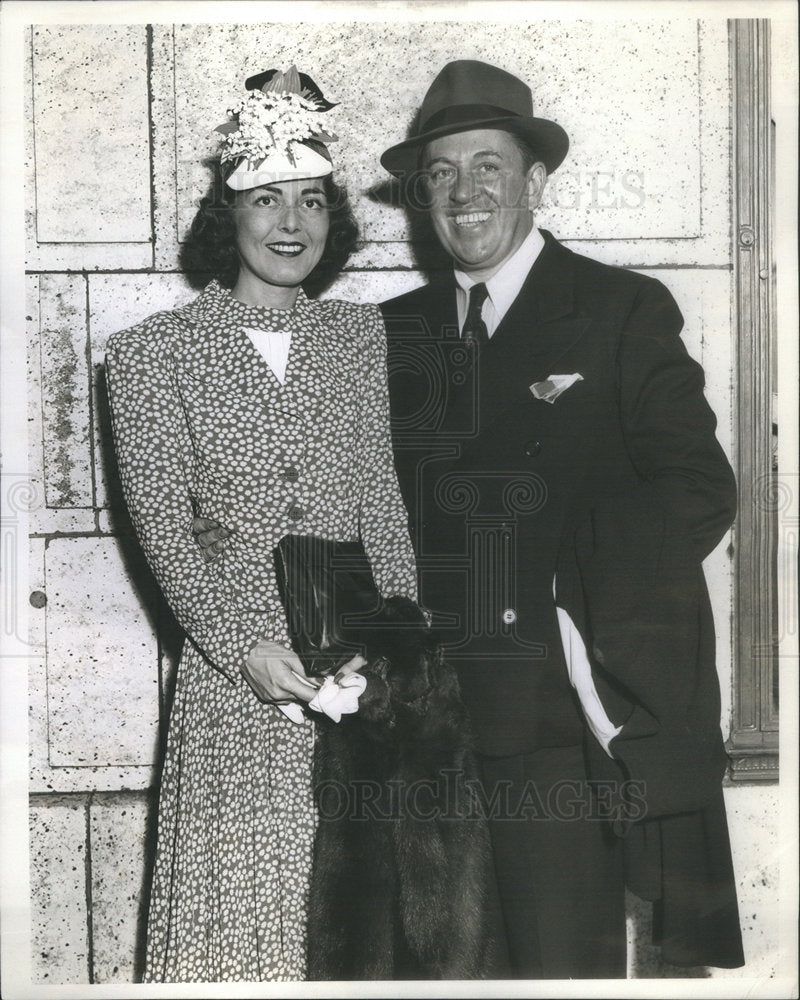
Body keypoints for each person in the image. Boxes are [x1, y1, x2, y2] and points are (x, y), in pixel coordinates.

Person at [375, 60, 745, 977]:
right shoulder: (392, 331)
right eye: (443, 173)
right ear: (422, 197)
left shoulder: (619, 310)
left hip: (555, 729)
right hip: (424, 726)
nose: (465, 194)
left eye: (489, 166)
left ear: (535, 182)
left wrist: (566, 583)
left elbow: (699, 488)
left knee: (556, 973)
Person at [105, 66, 417, 982]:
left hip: (355, 679)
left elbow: (383, 503)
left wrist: (393, 640)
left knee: (354, 924)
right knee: (240, 925)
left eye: (313, 201)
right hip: (234, 683)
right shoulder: (149, 354)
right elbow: (164, 529)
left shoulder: (359, 340)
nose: (292, 224)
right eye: (269, 200)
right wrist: (243, 646)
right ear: (229, 218)